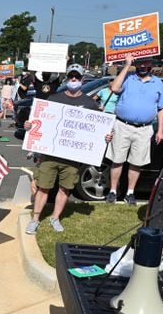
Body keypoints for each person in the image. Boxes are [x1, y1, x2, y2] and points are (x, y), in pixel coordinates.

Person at [24, 64, 110, 234]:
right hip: (50, 154)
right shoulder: (54, 99)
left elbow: (97, 130)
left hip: (73, 156)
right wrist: (30, 125)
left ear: (82, 79)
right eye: (70, 76)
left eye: (76, 77)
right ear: (66, 78)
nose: (73, 79)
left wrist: (106, 136)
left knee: (65, 189)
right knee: (43, 187)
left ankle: (55, 218)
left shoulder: (90, 103)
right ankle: (35, 219)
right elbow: (40, 123)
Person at [106, 55, 163, 205]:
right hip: (122, 125)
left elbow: (161, 108)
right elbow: (114, 88)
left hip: (144, 129)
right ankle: (112, 191)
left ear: (151, 64)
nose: (143, 66)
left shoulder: (158, 83)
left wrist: (160, 130)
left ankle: (130, 193)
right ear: (135, 64)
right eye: (140, 63)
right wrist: (126, 66)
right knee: (117, 159)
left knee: (136, 162)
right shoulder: (128, 78)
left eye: (146, 62)